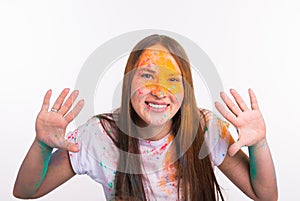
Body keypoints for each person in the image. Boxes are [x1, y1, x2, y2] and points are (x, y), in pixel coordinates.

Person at [13, 34, 278, 201]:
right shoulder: (100, 135)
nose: (160, 91)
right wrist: (42, 145)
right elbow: (26, 191)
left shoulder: (206, 130)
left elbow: (265, 195)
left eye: (173, 79)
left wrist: (259, 144)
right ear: (129, 82)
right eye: (148, 75)